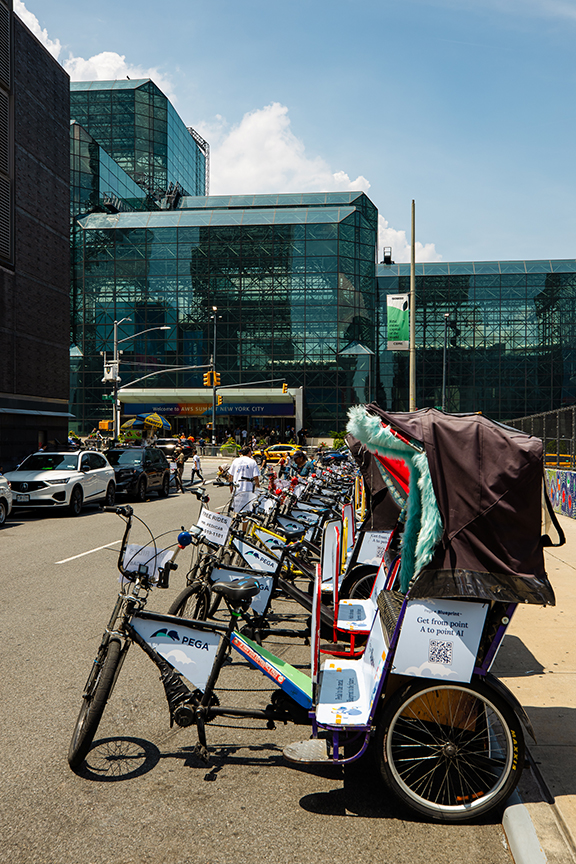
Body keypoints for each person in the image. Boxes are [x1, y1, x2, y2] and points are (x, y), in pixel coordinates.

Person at [228, 445, 260, 515]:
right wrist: (258, 486)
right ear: (249, 452)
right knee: (246, 512)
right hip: (247, 489)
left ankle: (233, 524)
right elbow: (256, 477)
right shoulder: (252, 462)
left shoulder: (235, 461)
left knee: (236, 511)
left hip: (237, 488)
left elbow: (230, 476)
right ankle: (244, 526)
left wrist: (231, 487)